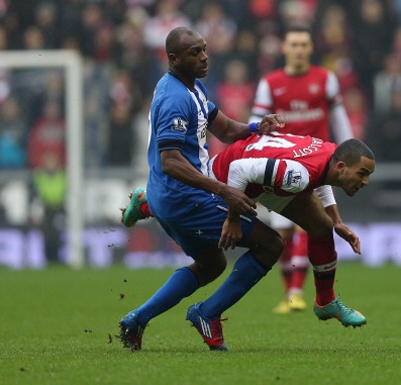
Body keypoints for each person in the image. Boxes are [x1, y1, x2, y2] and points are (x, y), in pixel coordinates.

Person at [117, 26, 289, 353]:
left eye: (204, 49)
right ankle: (207, 313)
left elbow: (223, 127)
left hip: (170, 196)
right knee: (270, 245)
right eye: (195, 53)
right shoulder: (173, 98)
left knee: (212, 264)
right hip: (186, 200)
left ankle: (138, 318)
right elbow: (171, 161)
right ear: (173, 58)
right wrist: (224, 192)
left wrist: (255, 127)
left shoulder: (190, 86)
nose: (204, 56)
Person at [121, 132, 375, 332]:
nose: (365, 182)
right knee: (261, 248)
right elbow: (240, 171)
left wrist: (337, 220)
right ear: (342, 166)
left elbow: (321, 178)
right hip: (225, 178)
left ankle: (326, 302)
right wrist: (232, 218)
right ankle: (147, 203)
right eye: (362, 174)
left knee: (323, 227)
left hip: (261, 177)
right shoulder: (298, 175)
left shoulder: (330, 153)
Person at [248, 24, 354, 314]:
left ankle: (296, 291)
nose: (298, 50)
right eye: (293, 44)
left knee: (309, 224)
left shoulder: (325, 79)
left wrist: (349, 150)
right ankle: (289, 293)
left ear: (310, 48)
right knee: (282, 232)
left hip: (318, 164)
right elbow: (257, 124)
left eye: (303, 44)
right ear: (284, 48)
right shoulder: (270, 83)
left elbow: (339, 116)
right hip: (280, 165)